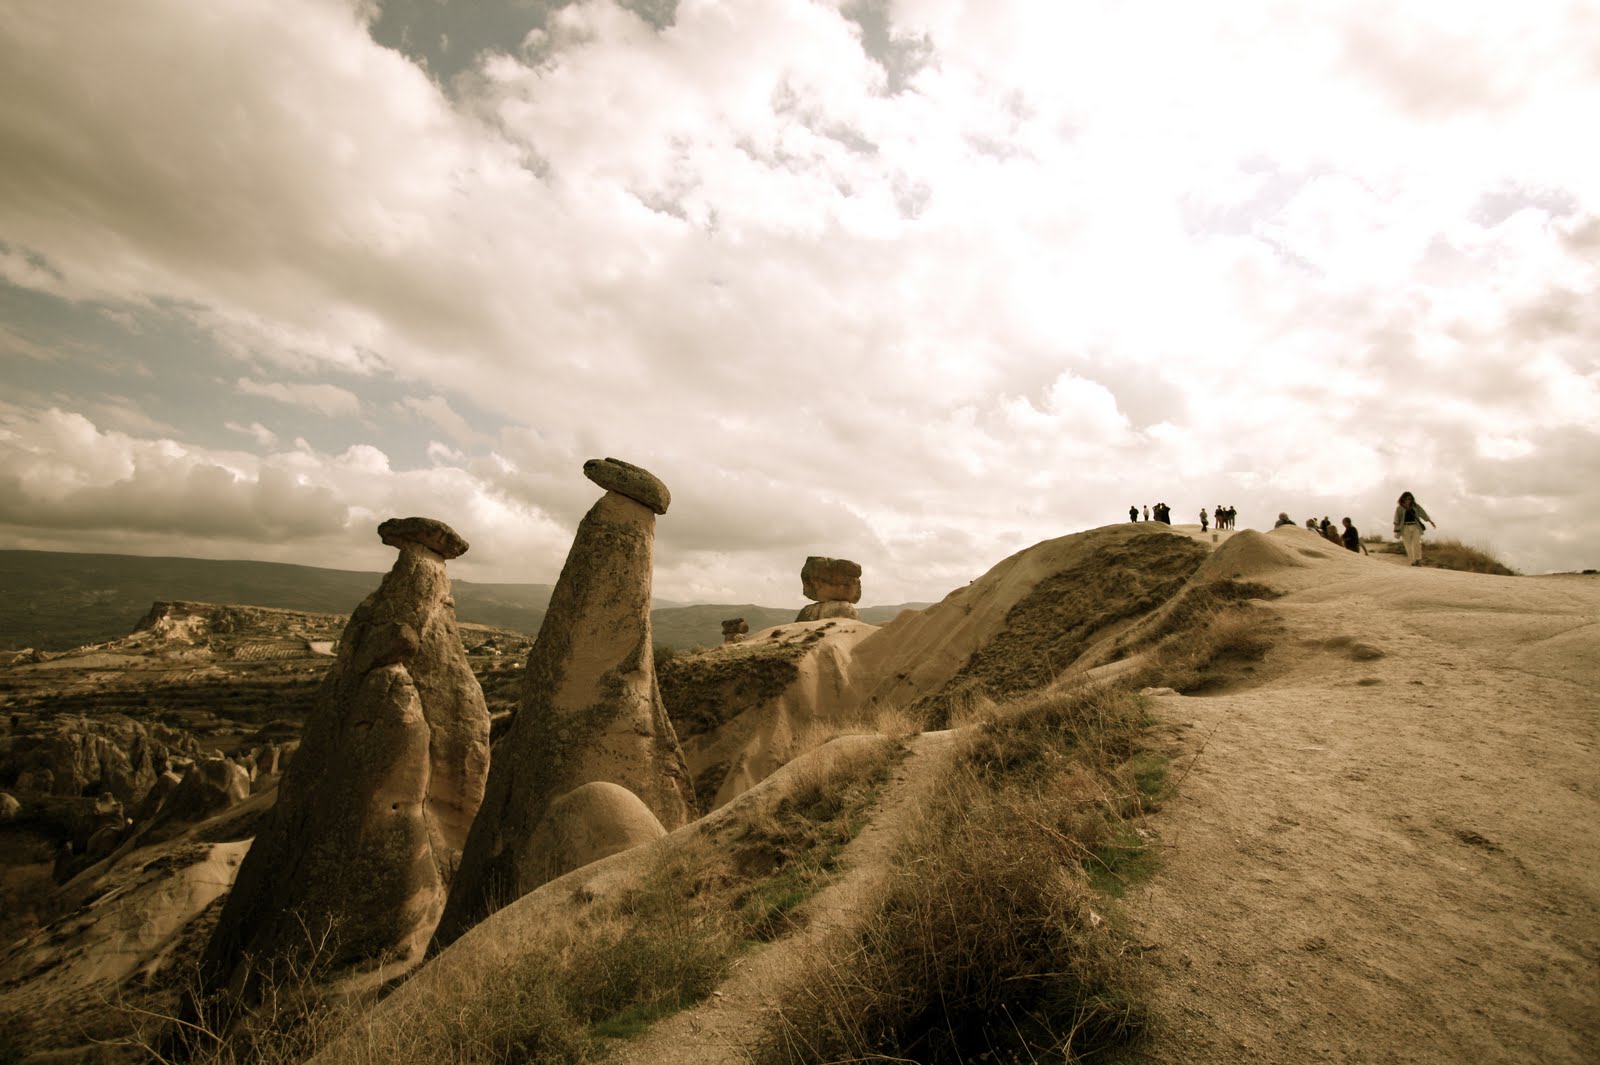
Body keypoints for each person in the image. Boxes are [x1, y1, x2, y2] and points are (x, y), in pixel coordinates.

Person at [1393, 491, 1436, 566]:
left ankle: (1418, 560)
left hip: (1415, 526)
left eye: (1409, 499)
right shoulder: (1399, 508)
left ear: (1412, 499)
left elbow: (1423, 514)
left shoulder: (1416, 506)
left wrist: (1430, 521)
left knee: (1417, 544)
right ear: (1402, 499)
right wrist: (1395, 527)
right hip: (1405, 528)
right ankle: (1412, 561)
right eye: (1406, 499)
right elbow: (1397, 519)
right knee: (1408, 545)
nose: (1408, 500)